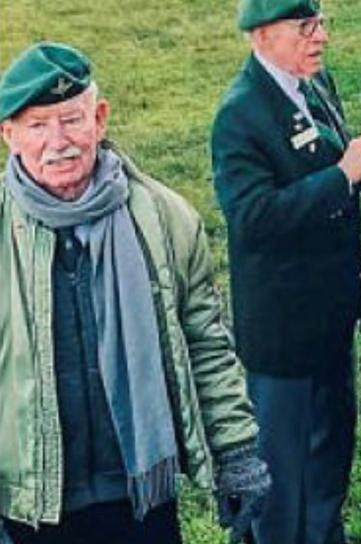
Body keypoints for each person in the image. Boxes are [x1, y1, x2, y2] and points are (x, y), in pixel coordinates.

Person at [0, 42, 269, 544]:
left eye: (72, 119)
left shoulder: (167, 219)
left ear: (99, 119)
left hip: (140, 499)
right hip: (29, 508)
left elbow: (207, 346)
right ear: (8, 134)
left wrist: (236, 454)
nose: (58, 141)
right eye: (38, 125)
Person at [209, 0, 361, 543]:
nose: (321, 36)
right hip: (283, 340)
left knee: (327, 467)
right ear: (262, 34)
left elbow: (319, 168)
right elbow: (252, 218)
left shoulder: (313, 84)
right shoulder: (241, 114)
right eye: (306, 26)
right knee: (280, 487)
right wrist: (342, 174)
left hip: (329, 324)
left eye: (321, 23)